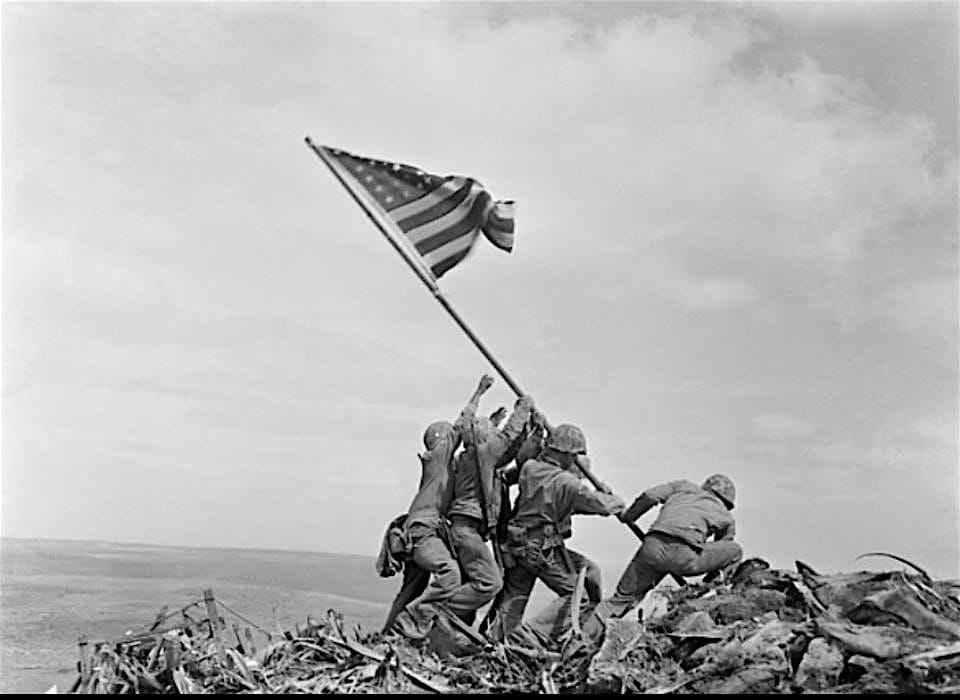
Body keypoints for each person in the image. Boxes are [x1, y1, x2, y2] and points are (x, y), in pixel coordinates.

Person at [488, 423, 625, 647]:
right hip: (542, 548)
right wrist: (614, 499)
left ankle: (498, 641)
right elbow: (602, 506)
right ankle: (532, 635)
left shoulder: (530, 469)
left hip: (518, 544)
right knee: (578, 596)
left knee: (515, 596)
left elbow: (565, 503)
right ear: (568, 454)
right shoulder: (567, 483)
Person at [388, 375, 494, 638]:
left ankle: (389, 634)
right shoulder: (438, 457)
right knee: (450, 574)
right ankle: (415, 619)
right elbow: (462, 424)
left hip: (421, 530)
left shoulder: (443, 464)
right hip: (423, 531)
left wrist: (492, 424)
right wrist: (479, 392)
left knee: (412, 588)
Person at [580, 474, 743, 643]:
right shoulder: (726, 517)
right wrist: (710, 581)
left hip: (652, 548)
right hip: (685, 557)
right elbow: (722, 549)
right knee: (735, 551)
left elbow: (650, 496)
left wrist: (629, 516)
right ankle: (709, 592)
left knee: (620, 600)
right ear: (727, 502)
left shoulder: (683, 486)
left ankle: (581, 640)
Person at [440, 386, 535, 627]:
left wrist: (529, 431)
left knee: (471, 582)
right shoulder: (482, 453)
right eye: (492, 433)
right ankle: (436, 610)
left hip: (464, 529)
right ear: (485, 437)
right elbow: (507, 438)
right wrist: (523, 408)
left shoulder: (471, 459)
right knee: (490, 583)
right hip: (468, 530)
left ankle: (450, 630)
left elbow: (509, 451)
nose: (496, 437)